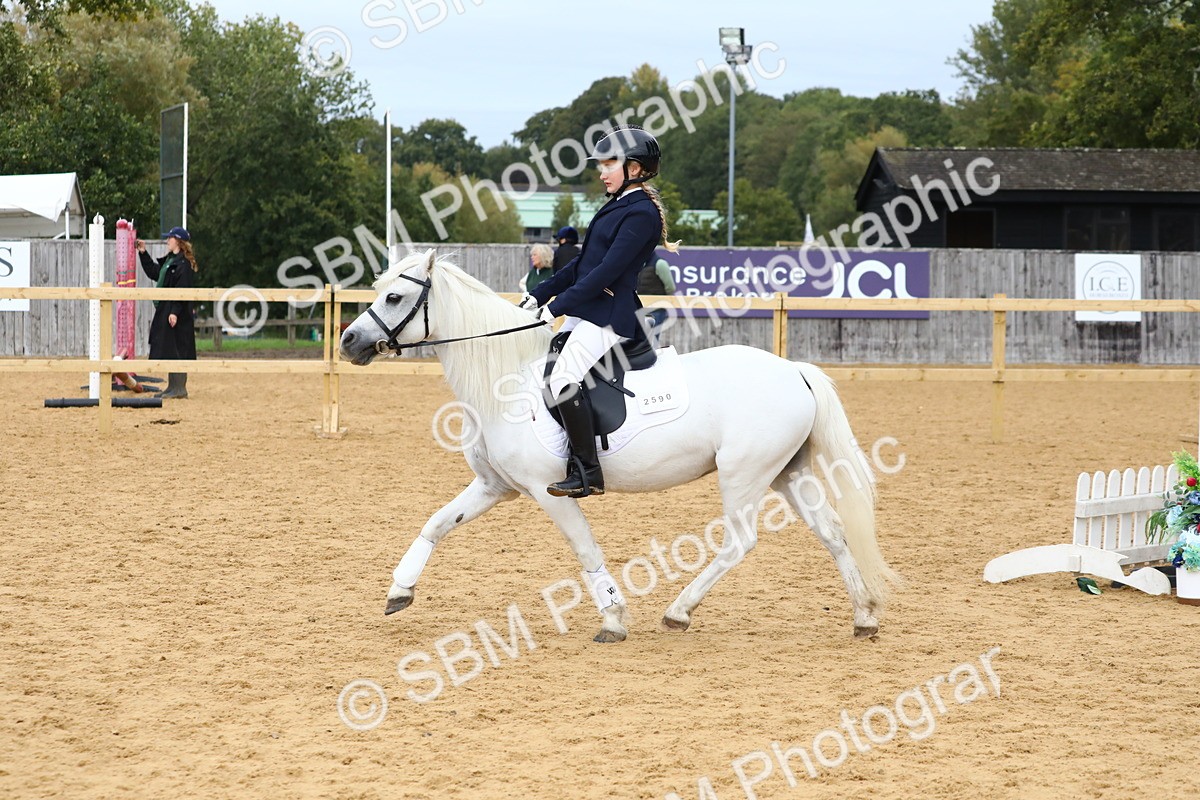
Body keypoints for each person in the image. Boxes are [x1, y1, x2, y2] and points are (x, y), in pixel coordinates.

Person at [518, 126, 680, 499]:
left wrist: (556, 308)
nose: (602, 172)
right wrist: (538, 295)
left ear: (635, 169)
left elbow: (606, 272)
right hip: (590, 308)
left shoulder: (640, 214)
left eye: (610, 164)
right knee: (545, 365)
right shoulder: (617, 204)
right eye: (602, 165)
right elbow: (580, 267)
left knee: (562, 380)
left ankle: (587, 471)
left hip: (610, 313)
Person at [136, 226, 197, 399]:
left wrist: (175, 312)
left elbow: (182, 289)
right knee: (171, 348)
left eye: (170, 238)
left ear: (178, 241)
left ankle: (179, 388)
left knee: (179, 349)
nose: (167, 241)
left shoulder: (183, 263)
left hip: (177, 312)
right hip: (167, 308)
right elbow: (156, 273)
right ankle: (173, 386)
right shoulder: (171, 261)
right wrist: (143, 253)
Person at [637, 254, 676, 345]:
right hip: (641, 309)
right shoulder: (640, 263)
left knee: (651, 342)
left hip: (656, 310)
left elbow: (670, 287)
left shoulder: (660, 264)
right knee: (643, 342)